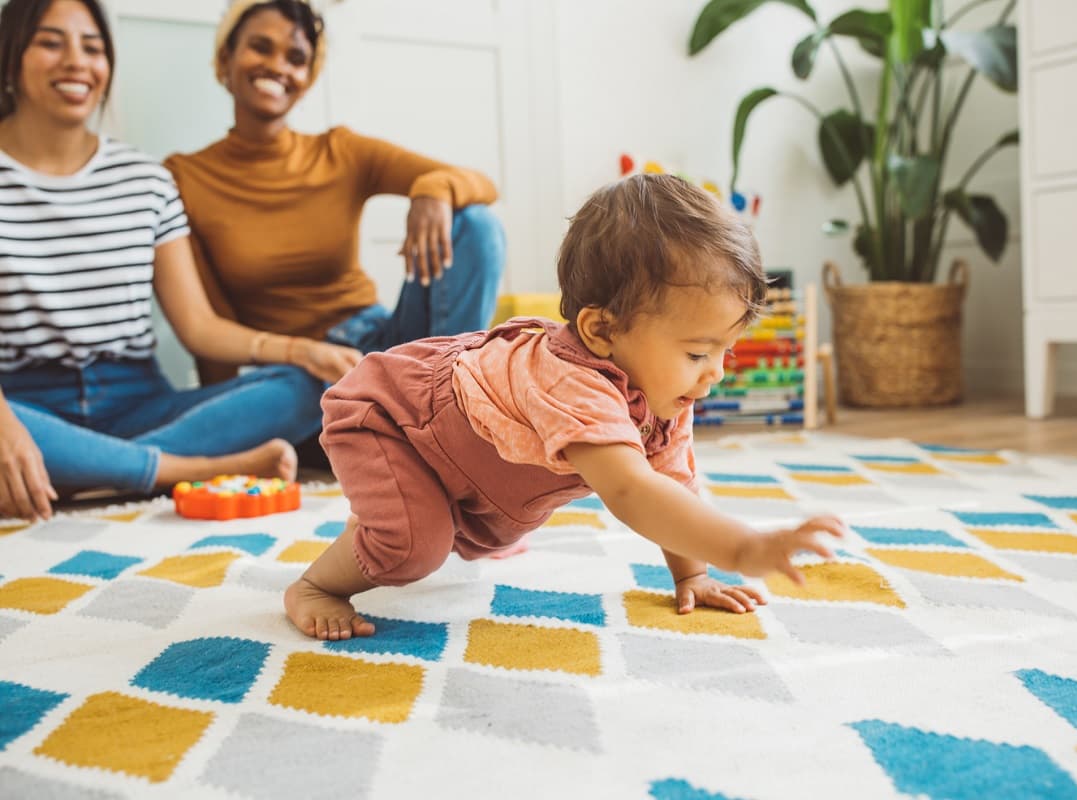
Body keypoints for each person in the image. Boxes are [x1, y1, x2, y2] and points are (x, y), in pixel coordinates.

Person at [284, 174, 849, 640]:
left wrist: (694, 574)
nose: (716, 372)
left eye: (725, 350)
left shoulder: (664, 392)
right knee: (412, 549)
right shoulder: (571, 380)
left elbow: (670, 487)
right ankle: (315, 585)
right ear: (601, 330)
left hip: (466, 466)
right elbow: (632, 491)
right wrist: (743, 546)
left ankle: (399, 507)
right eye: (699, 351)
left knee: (488, 534)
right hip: (392, 419)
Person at [0, 0, 363, 521]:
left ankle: (86, 472)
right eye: (51, 42)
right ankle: (176, 470)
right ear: (11, 58)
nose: (77, 62)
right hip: (27, 405)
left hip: (138, 400)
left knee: (315, 384)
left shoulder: (145, 181)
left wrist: (301, 350)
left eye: (93, 47)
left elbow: (198, 326)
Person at [164, 0, 505, 400]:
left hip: (381, 339)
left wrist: (434, 189)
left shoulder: (341, 152)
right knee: (293, 403)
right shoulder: (185, 178)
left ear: (307, 78)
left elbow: (483, 184)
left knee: (477, 224)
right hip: (298, 370)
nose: (277, 66)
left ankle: (452, 398)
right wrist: (229, 412)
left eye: (295, 58)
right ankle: (415, 416)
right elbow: (209, 321)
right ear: (226, 58)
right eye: (261, 47)